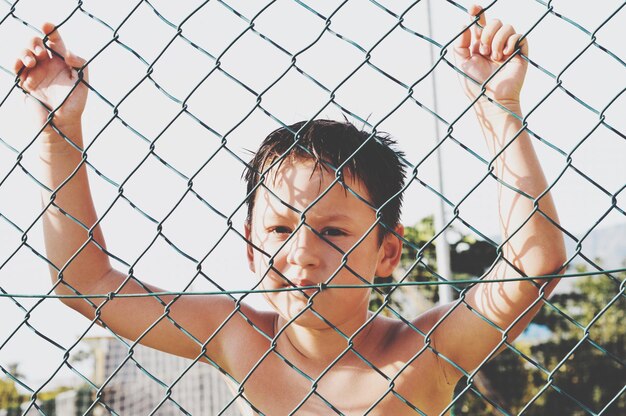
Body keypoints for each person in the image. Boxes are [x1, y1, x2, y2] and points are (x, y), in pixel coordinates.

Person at [15, 5, 566, 415]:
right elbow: (83, 284)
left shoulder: (424, 350)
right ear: (251, 247)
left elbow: (532, 268)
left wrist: (500, 113)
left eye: (332, 232)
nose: (301, 254)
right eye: (279, 228)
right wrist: (61, 132)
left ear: (387, 252)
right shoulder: (240, 337)